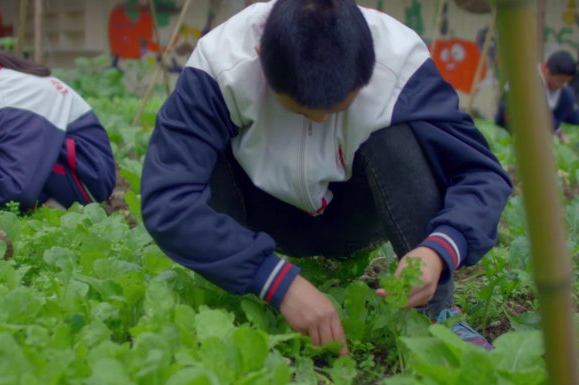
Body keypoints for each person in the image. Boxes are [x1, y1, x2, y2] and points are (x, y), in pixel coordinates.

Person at [141, 0, 512, 354]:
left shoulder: (399, 63)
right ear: (261, 61)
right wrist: (274, 280)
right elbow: (168, 199)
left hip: (354, 215)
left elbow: (481, 174)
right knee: (199, 156)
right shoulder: (219, 63)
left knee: (397, 133)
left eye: (337, 109)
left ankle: (437, 310)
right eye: (300, 110)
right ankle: (248, 284)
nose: (320, 121)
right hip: (258, 218)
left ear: (369, 66)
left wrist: (439, 249)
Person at [0, 22, 115, 209]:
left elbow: (16, 185)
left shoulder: (5, 91)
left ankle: (50, 207)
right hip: (74, 169)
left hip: (86, 181)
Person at [496, 50, 579, 143]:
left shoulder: (563, 91)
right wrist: (556, 132)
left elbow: (567, 112)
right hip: (515, 124)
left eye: (566, 81)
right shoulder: (527, 79)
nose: (562, 85)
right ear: (545, 70)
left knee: (568, 94)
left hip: (543, 130)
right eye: (560, 81)